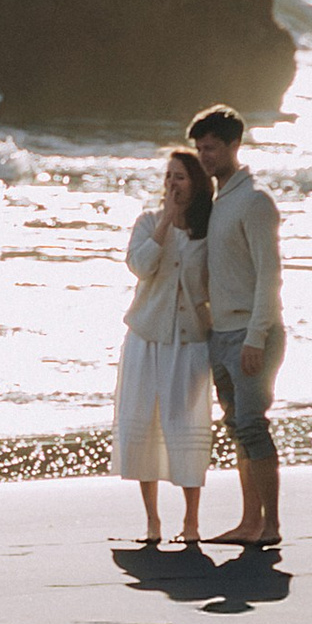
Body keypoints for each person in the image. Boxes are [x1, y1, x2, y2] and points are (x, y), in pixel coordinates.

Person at [186, 103, 284, 547]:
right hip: (221, 334)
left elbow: (270, 274)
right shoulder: (220, 200)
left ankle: (271, 525)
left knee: (251, 425)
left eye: (210, 148)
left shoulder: (254, 200)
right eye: (199, 149)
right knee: (238, 429)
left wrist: (256, 337)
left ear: (233, 146)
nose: (204, 157)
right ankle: (249, 522)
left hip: (251, 333)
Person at [113, 145, 215, 544]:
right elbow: (140, 265)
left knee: (185, 424)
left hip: (190, 341)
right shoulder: (148, 222)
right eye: (169, 176)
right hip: (146, 337)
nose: (172, 183)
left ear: (196, 184)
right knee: (144, 427)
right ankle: (153, 521)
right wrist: (167, 221)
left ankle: (191, 521)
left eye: (181, 176)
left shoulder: (210, 229)